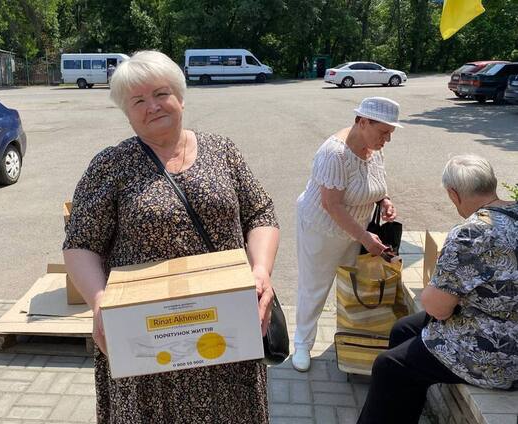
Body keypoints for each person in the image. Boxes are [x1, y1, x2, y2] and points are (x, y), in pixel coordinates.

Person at [63, 50, 280, 423]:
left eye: (161, 94)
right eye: (138, 101)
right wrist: (100, 303)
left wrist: (261, 270)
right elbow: (80, 244)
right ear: (127, 112)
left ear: (180, 96)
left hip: (225, 329)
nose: (152, 107)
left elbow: (260, 213)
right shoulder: (110, 166)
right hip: (147, 340)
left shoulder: (222, 151)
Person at [358, 155, 518, 424]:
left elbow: (437, 308)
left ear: (453, 194)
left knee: (390, 366)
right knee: (403, 329)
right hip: (502, 322)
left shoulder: (473, 233)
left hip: (497, 354)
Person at [293, 97, 401, 371]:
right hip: (322, 230)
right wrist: (365, 238)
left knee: (351, 285)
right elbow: (332, 205)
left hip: (355, 230)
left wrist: (384, 201)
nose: (387, 139)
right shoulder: (335, 154)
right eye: (383, 132)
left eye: (390, 133)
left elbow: (374, 182)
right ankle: (302, 344)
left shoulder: (373, 148)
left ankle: (349, 336)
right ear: (363, 122)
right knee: (315, 287)